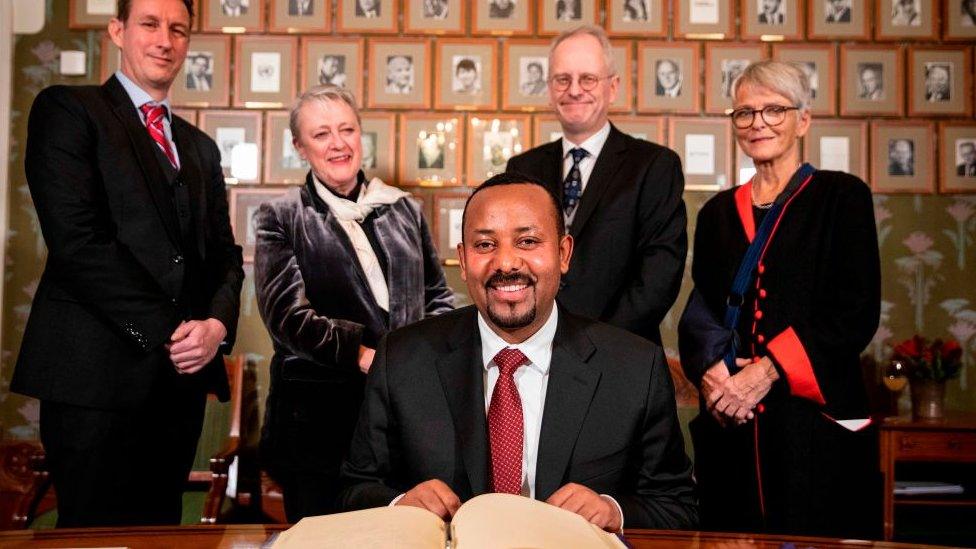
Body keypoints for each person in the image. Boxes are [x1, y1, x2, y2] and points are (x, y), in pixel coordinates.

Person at [339, 172, 698, 531]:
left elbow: (677, 506)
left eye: (527, 241)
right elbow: (354, 490)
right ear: (463, 262)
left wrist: (612, 511)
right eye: (484, 245)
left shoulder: (635, 367)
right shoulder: (401, 358)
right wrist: (401, 503)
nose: (506, 263)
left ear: (563, 254)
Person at [13, 0, 244, 527]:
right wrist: (173, 330)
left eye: (178, 29)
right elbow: (79, 245)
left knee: (161, 533)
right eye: (150, 24)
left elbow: (226, 258)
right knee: (95, 538)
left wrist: (215, 327)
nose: (165, 40)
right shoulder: (69, 110)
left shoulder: (201, 148)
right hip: (93, 384)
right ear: (118, 31)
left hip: (178, 389)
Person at [678, 60, 881, 539]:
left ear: (802, 120)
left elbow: (856, 314)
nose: (758, 123)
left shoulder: (842, 197)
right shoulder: (716, 213)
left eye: (774, 110)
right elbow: (702, 310)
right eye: (745, 113)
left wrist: (764, 371)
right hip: (735, 423)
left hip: (812, 426)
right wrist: (714, 376)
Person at [255, 85, 453, 522]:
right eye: (321, 134)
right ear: (300, 147)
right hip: (318, 422)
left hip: (402, 415)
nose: (338, 143)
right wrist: (366, 357)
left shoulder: (404, 208)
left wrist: (422, 358)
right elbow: (286, 317)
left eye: (347, 129)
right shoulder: (281, 215)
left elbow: (437, 296)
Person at [507, 25, 687, 346]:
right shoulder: (522, 169)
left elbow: (658, 277)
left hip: (621, 353)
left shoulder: (654, 166)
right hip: (534, 350)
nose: (574, 90)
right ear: (550, 88)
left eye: (588, 78)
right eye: (563, 79)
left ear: (613, 87)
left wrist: (595, 343)